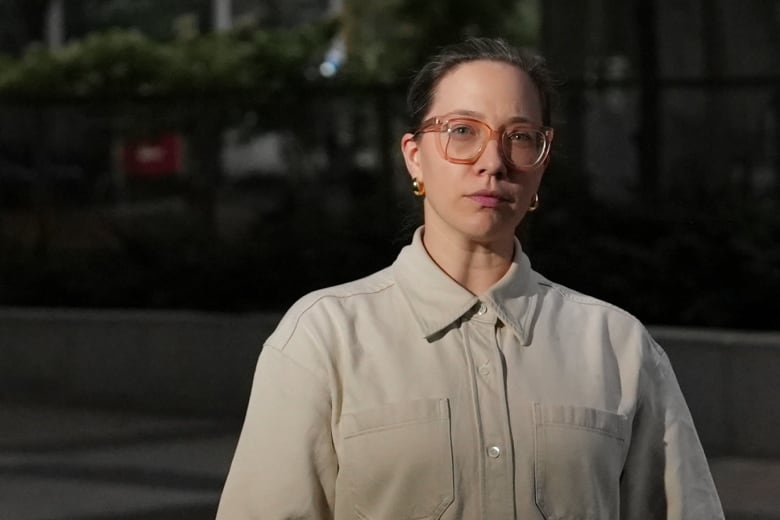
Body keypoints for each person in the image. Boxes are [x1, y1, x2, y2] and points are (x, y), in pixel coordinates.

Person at [216, 37, 724, 520]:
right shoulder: (325, 338)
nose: (493, 162)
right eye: (462, 131)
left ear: (543, 163)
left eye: (521, 137)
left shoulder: (617, 345)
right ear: (415, 157)